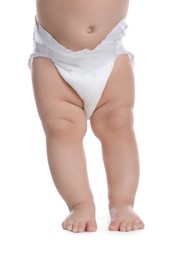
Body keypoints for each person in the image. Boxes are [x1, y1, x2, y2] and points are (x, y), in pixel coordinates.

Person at [28, 0, 144, 233]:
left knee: (119, 127)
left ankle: (123, 203)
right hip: (54, 61)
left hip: (109, 55)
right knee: (62, 131)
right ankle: (79, 203)